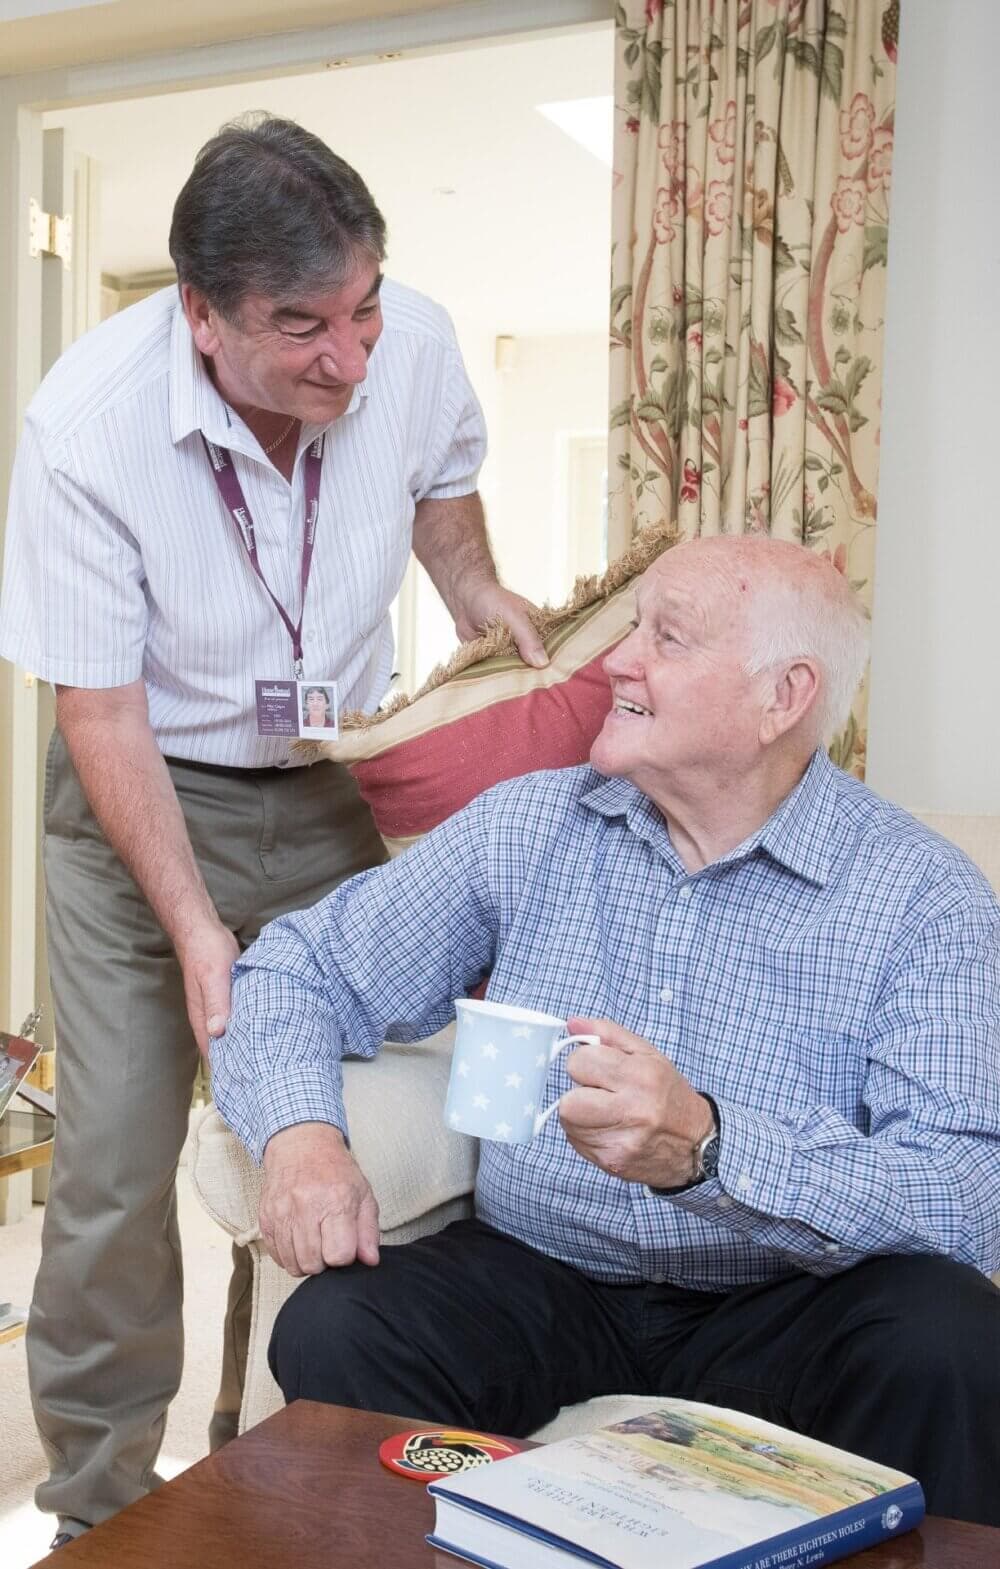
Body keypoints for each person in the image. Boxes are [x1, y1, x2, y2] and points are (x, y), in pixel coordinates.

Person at [0, 113, 545, 1548]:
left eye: (363, 309)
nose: (348, 358)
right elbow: (100, 713)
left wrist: (478, 596)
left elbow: (442, 494)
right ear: (202, 314)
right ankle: (100, 1509)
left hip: (331, 780)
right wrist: (193, 927)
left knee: (321, 1124)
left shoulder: (410, 349)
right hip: (142, 795)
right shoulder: (88, 429)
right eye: (303, 327)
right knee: (115, 1166)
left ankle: (284, 1472)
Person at [213, 535, 1000, 1527]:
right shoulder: (529, 827)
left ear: (783, 696)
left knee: (953, 1340)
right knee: (339, 1328)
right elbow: (296, 969)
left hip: (789, 1297)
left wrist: (709, 1150)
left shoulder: (923, 898)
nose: (618, 661)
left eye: (666, 638)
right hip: (544, 1275)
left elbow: (961, 1196)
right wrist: (302, 1140)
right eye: (633, 629)